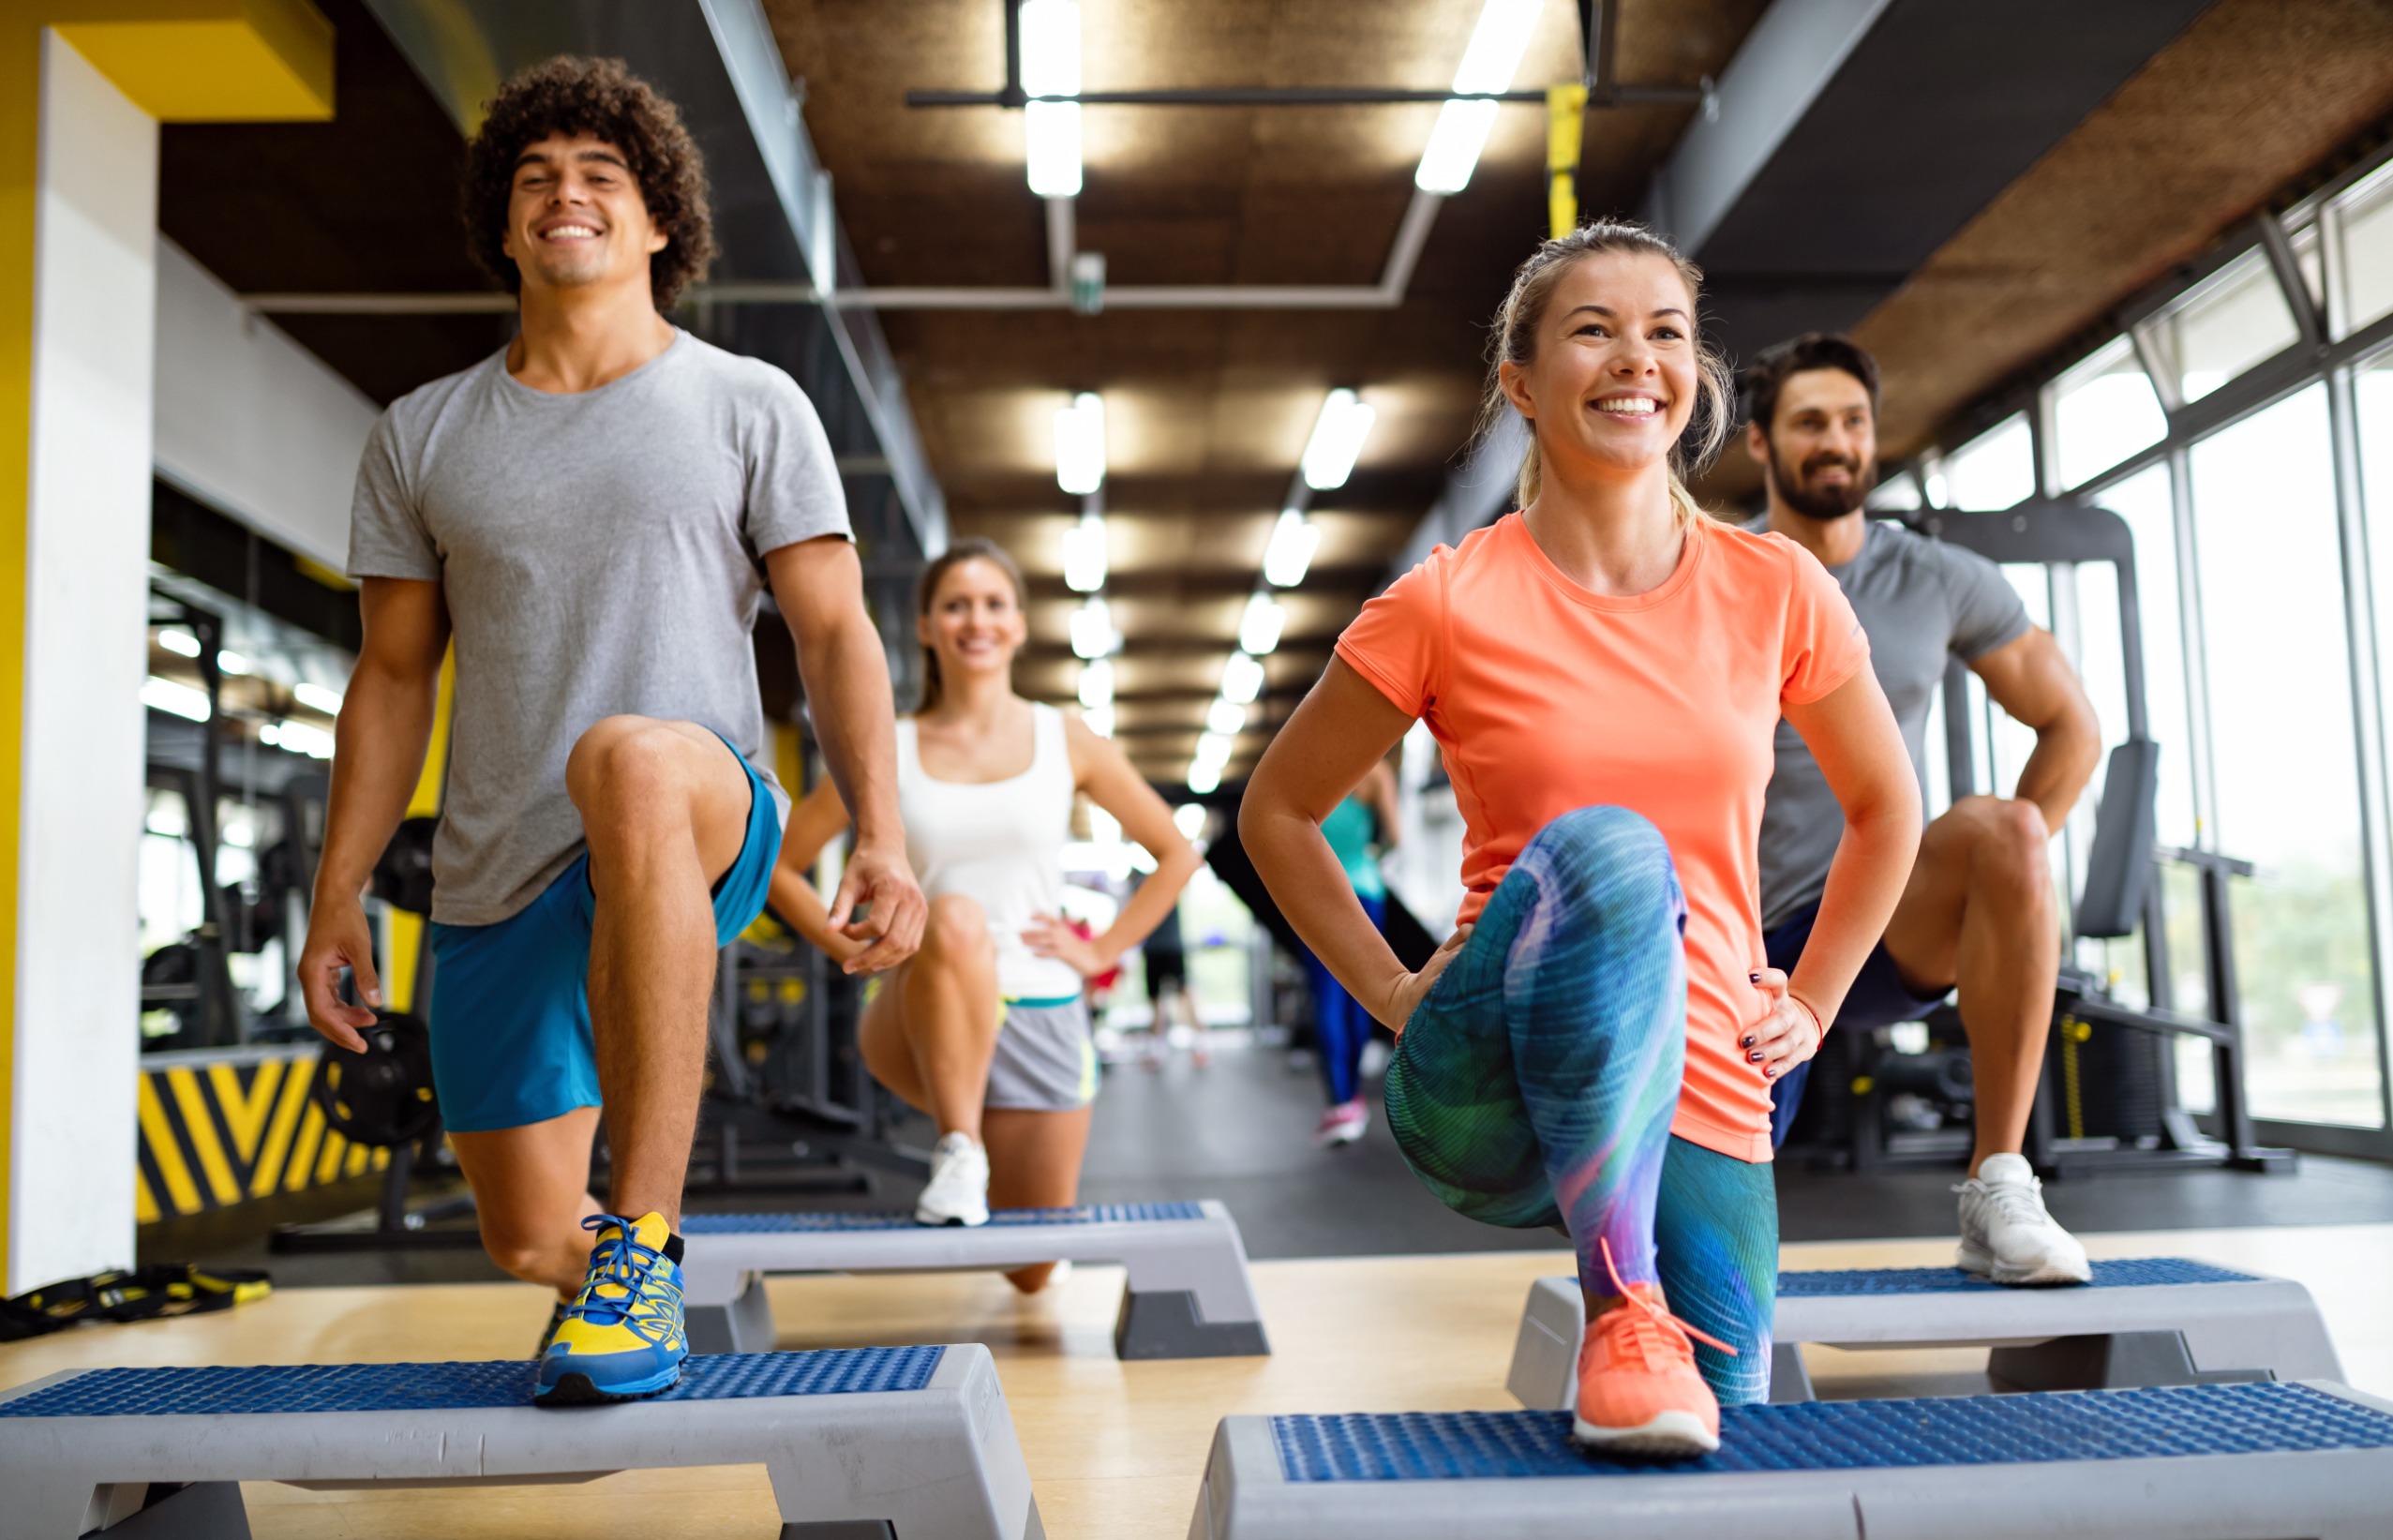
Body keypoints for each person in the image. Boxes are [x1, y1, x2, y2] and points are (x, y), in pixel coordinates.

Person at [298, 58, 926, 1407]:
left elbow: (830, 632)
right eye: (534, 177)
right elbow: (395, 678)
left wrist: (881, 826)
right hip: (497, 859)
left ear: (658, 225)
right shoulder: (423, 434)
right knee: (525, 1228)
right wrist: (339, 888)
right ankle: (614, 1265)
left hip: (700, 804)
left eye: (600, 174)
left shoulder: (749, 403)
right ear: (504, 225)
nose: (563, 194)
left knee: (628, 757)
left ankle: (644, 1244)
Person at [1242, 222, 1919, 1457]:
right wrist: (1391, 989)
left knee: (1722, 1426)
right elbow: (1273, 812)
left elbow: (1889, 808)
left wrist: (1813, 1000)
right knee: (1614, 847)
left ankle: (1646, 1323)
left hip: (1708, 1061)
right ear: (1519, 382)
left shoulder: (1775, 588)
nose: (1636, 359)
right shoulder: (1448, 598)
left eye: (1665, 331)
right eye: (1593, 330)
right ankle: (1618, 1298)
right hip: (1499, 1074)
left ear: (1696, 373)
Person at [1742, 334, 2102, 1285]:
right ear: (1759, 444)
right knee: (1713, 1236)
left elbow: (2072, 725)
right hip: (1740, 934)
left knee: (2007, 830)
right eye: (1810, 421)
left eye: (1853, 422)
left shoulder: (1938, 578)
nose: (1836, 441)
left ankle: (1999, 1179)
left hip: (1881, 913)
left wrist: (2008, 891)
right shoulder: (1716, 572)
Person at [769, 540, 1202, 1287]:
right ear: (926, 626)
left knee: (1030, 1270)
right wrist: (850, 943)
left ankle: (977, 1167)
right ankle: (959, 1146)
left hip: (1040, 1006)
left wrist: (1100, 952)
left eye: (994, 603)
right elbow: (776, 863)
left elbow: (1176, 853)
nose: (977, 619)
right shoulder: (885, 746)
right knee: (956, 915)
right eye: (956, 604)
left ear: (1020, 625)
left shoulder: (1063, 737)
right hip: (918, 1001)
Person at [1304, 758, 1398, 1145]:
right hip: (1365, 888)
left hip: (1318, 894)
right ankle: (1354, 1098)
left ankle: (1340, 1103)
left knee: (1325, 1000)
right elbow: (1395, 836)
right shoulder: (1375, 774)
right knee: (1360, 996)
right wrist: (1370, 854)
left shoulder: (1310, 767)